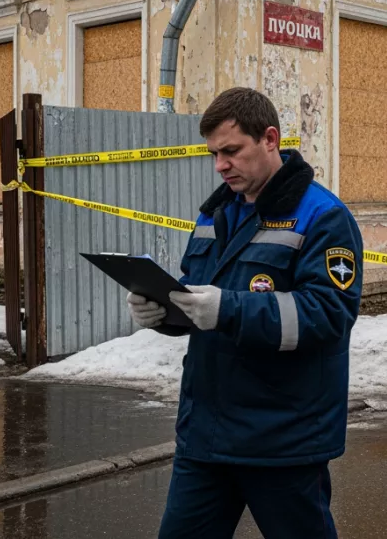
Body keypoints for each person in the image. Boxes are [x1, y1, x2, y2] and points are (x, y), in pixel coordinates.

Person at [127, 87, 362, 539]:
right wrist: (164, 313)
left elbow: (329, 314)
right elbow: (198, 301)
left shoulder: (324, 216)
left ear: (269, 139)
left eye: (231, 151)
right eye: (214, 153)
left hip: (282, 438)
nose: (220, 165)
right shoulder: (214, 214)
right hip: (206, 433)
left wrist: (226, 309)